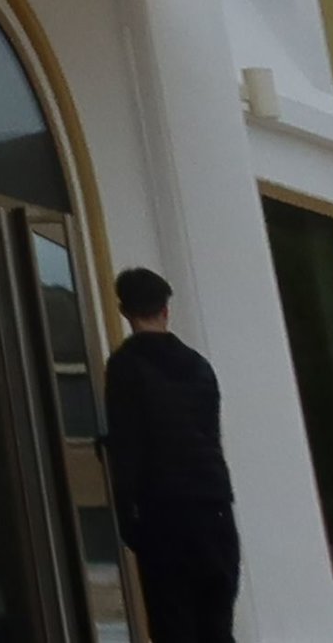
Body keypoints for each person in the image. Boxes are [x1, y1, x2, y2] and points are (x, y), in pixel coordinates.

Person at [103, 266, 243, 643]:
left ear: (125, 311)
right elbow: (210, 434)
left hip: (164, 511)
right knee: (216, 623)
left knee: (173, 623)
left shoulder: (126, 367)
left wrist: (127, 516)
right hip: (213, 506)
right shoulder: (199, 366)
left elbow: (126, 444)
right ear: (166, 309)